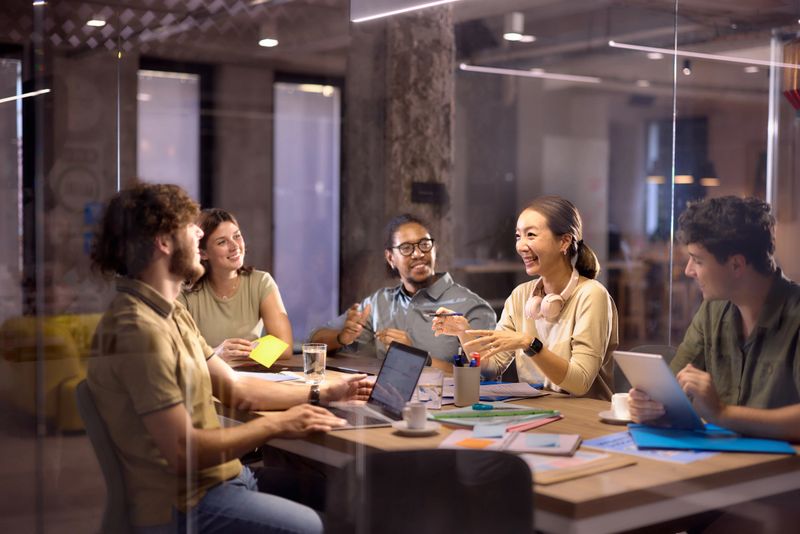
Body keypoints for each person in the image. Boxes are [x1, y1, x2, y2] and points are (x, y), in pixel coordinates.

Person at [87, 182, 371, 533]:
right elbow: (182, 450)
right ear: (163, 242)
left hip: (224, 478)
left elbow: (238, 386)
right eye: (192, 228)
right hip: (187, 502)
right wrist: (276, 424)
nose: (198, 233)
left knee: (356, 496)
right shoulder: (139, 329)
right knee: (317, 526)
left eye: (233, 237)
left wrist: (326, 392)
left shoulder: (172, 311)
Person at [629, 196, 800, 424]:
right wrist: (651, 404)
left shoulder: (794, 316)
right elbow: (672, 390)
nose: (689, 271)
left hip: (779, 459)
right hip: (717, 455)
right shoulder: (712, 311)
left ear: (736, 265)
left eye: (698, 261)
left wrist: (723, 413)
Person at [433, 196, 618, 400]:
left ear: (564, 241)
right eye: (518, 236)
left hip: (583, 417)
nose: (521, 246)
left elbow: (580, 383)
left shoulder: (592, 295)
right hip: (537, 411)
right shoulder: (521, 295)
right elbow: (490, 369)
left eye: (531, 235)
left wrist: (530, 344)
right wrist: (464, 333)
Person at [309, 213, 496, 364]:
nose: (418, 254)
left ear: (434, 249)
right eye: (406, 248)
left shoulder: (471, 307)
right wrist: (342, 337)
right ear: (390, 258)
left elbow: (485, 376)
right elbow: (315, 341)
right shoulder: (379, 303)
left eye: (424, 244)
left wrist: (415, 356)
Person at [178, 208, 292, 367]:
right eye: (222, 242)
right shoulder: (183, 292)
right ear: (203, 253)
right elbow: (176, 353)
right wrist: (215, 354)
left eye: (237, 236)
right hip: (205, 381)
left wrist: (240, 354)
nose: (235, 246)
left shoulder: (261, 282)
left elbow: (284, 345)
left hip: (249, 379)